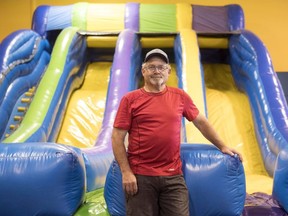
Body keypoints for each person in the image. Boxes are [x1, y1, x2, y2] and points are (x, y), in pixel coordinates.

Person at [111, 48, 243, 216]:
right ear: (143, 71)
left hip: (173, 176)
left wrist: (223, 146)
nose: (156, 71)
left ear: (168, 71)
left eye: (161, 67)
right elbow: (117, 137)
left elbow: (201, 122)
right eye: (151, 67)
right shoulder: (130, 99)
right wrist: (126, 172)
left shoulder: (179, 96)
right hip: (140, 176)